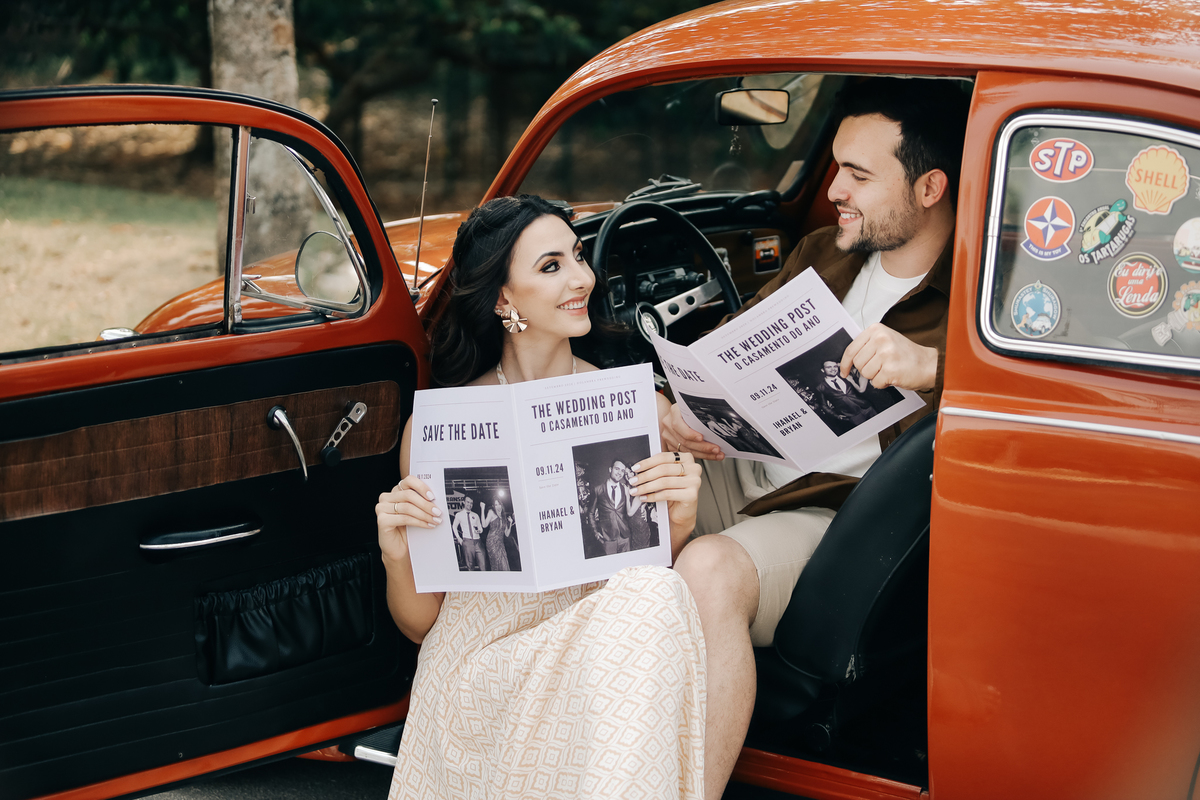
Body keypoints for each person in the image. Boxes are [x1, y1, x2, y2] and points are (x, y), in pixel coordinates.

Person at [660, 77, 970, 799]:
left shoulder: (977, 293)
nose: (835, 189)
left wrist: (934, 368)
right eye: (834, 167)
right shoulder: (823, 254)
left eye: (859, 176)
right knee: (615, 461)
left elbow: (1042, 397)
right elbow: (726, 358)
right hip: (747, 465)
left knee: (709, 569)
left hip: (830, 513)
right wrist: (680, 407)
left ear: (929, 187)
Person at [376, 195, 705, 800]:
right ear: (504, 298)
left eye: (578, 257)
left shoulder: (635, 410)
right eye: (551, 266)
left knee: (656, 592)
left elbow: (645, 597)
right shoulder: (437, 430)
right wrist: (397, 554)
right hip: (478, 665)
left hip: (596, 660)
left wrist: (679, 522)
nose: (583, 278)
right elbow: (423, 626)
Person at [590, 458, 633, 554]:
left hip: (625, 537)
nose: (620, 473)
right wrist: (596, 532)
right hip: (607, 538)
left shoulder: (625, 489)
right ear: (610, 469)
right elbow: (591, 513)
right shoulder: (598, 489)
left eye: (622, 471)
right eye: (617, 469)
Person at [814, 359, 875, 426]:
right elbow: (824, 405)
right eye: (829, 367)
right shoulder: (820, 388)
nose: (833, 369)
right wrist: (837, 416)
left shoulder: (846, 376)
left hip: (867, 407)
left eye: (835, 366)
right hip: (852, 416)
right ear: (822, 370)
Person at [450, 495, 486, 571]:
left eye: (471, 503)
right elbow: (454, 527)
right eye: (468, 502)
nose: (469, 504)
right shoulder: (459, 515)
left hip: (478, 541)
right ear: (464, 502)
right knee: (470, 566)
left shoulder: (475, 515)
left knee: (483, 565)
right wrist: (459, 538)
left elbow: (481, 528)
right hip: (467, 542)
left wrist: (479, 531)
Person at [480, 497, 511, 572]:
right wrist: (482, 509)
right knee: (496, 564)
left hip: (500, 544)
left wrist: (510, 523)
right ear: (494, 506)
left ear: (501, 505)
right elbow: (484, 525)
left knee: (505, 564)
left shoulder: (504, 516)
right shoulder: (491, 512)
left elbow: (507, 534)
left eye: (499, 504)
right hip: (492, 543)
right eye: (496, 505)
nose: (498, 506)